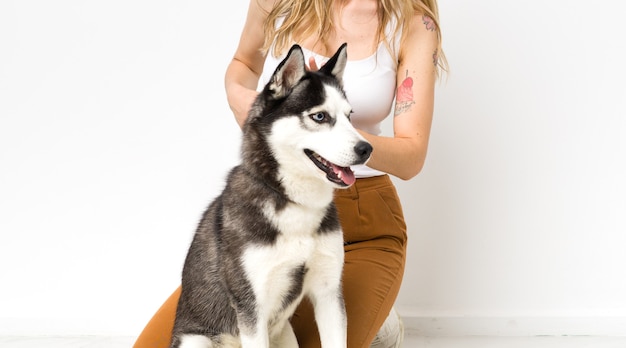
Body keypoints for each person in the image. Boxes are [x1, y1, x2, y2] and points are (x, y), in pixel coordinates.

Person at [133, 0, 447, 347]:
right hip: (269, 208)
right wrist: (241, 98)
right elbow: (243, 62)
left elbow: (412, 155)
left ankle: (375, 316)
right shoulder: (277, 3)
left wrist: (330, 131)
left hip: (362, 219)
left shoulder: (412, 23)